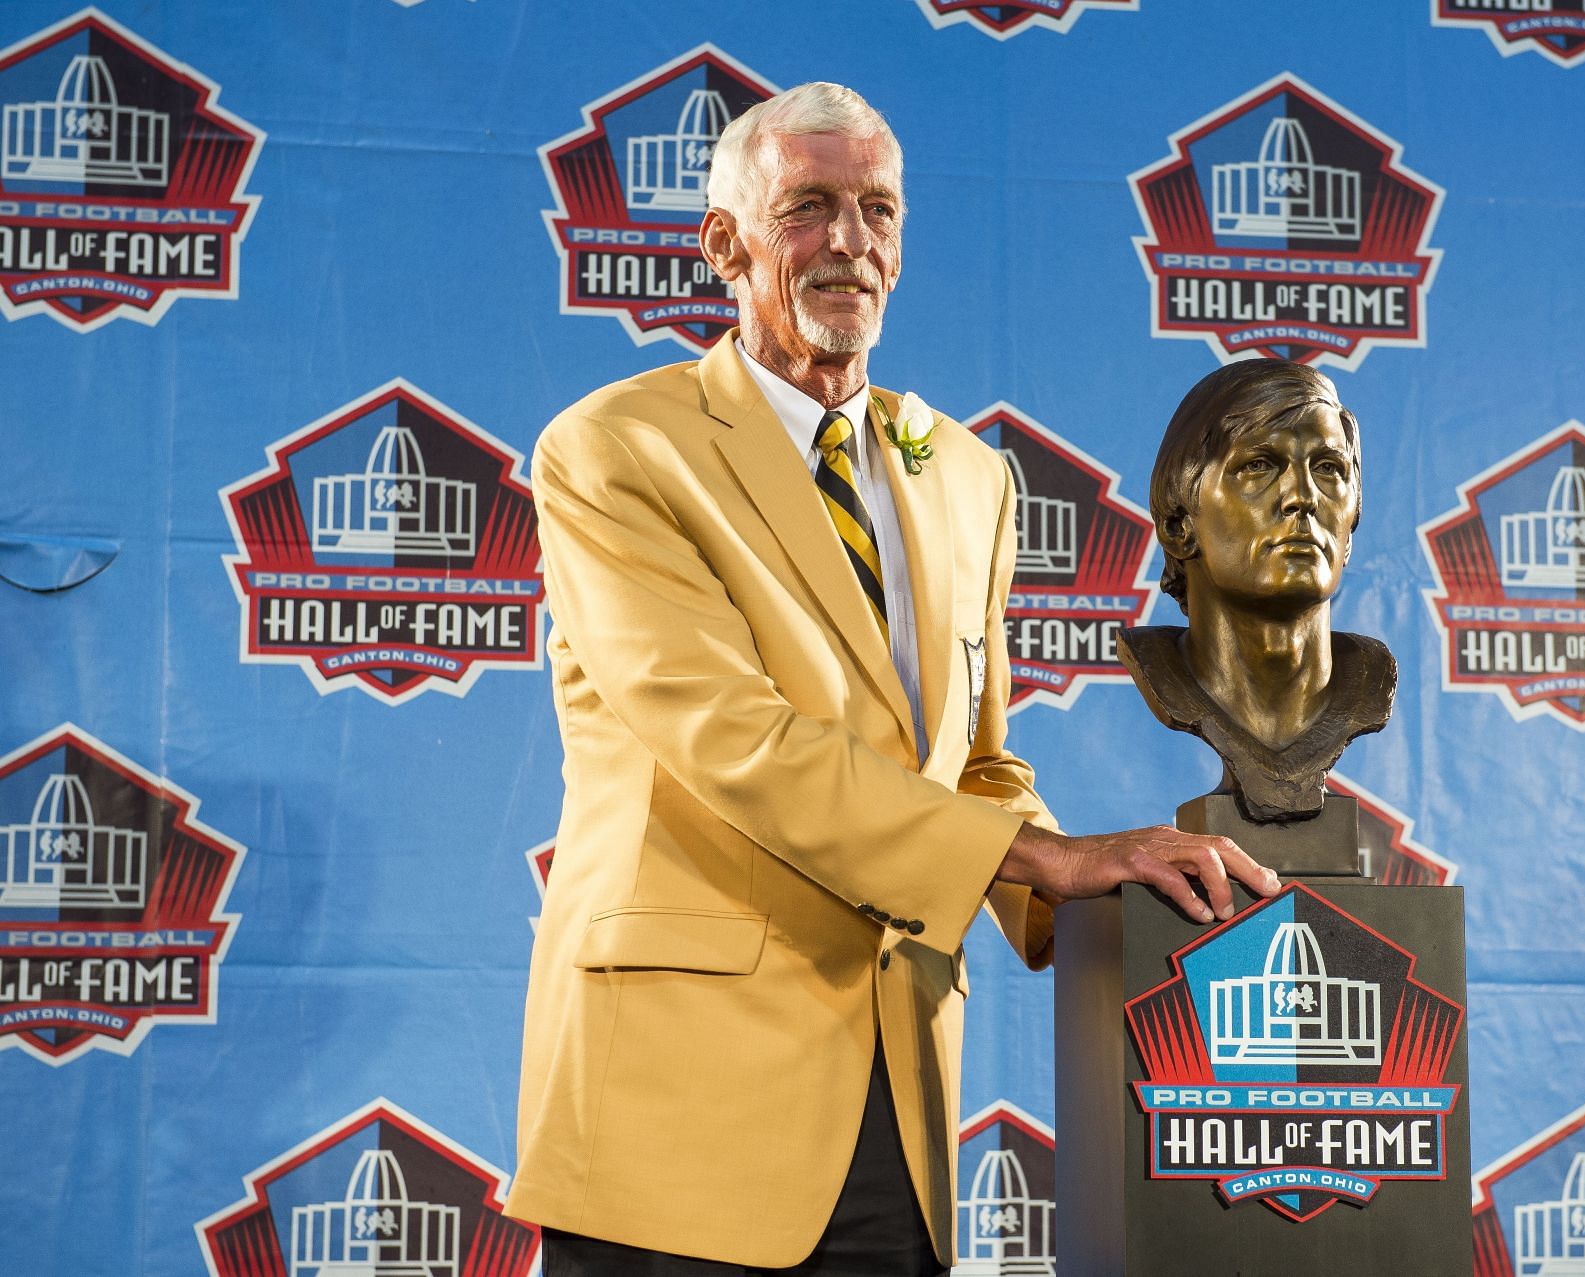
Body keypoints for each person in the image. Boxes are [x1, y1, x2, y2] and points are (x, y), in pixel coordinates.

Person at [506, 83, 1278, 1276]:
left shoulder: (968, 475)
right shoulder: (617, 450)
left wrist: (1099, 904)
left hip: (901, 1098)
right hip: (678, 1110)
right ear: (726, 245)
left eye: (877, 209)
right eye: (807, 208)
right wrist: (1049, 858)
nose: (849, 243)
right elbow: (734, 741)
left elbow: (978, 765)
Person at [1118, 359, 1395, 822]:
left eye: (1328, 468)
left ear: (1352, 527)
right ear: (1179, 524)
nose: (1302, 496)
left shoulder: (1368, 682)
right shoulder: (1162, 670)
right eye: (1260, 466)